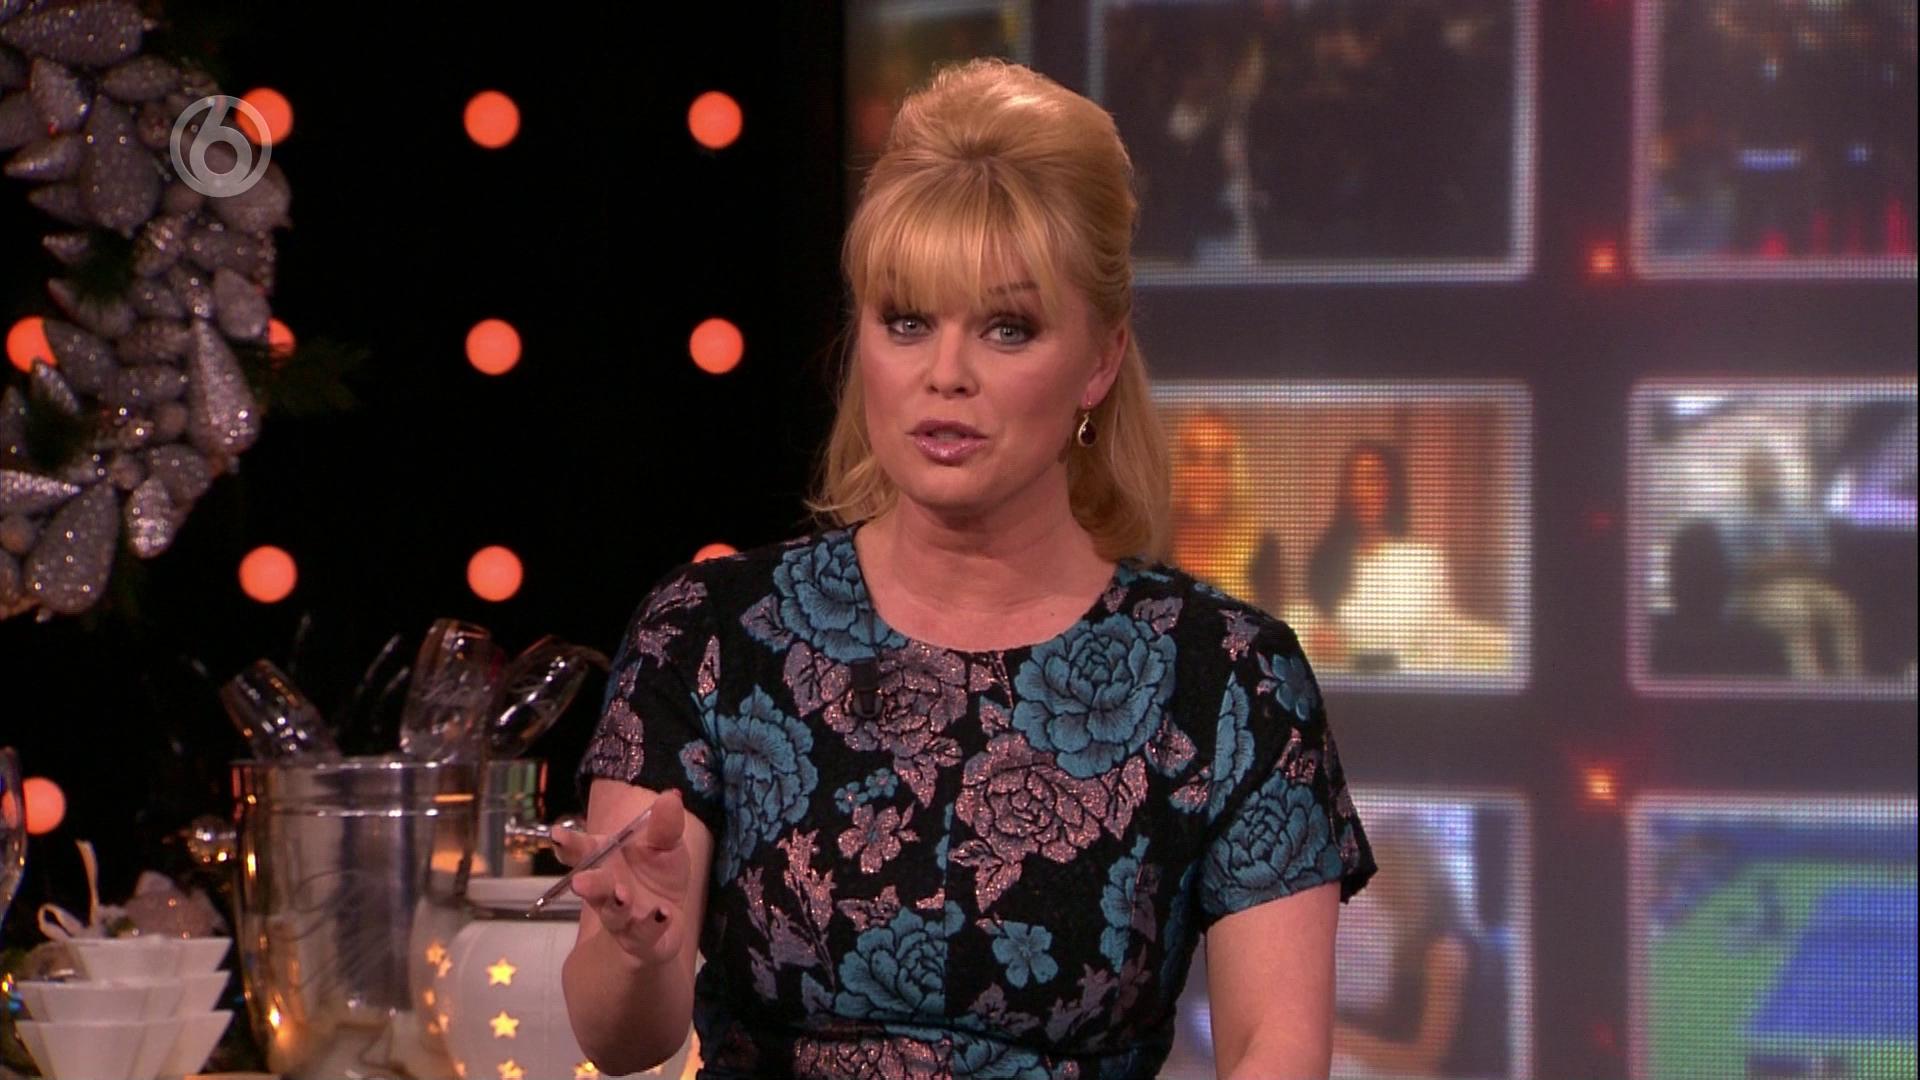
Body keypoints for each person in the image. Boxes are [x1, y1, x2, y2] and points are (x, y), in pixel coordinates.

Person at [557, 58, 1375, 1079]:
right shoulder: (710, 633)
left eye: (1007, 328)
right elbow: (619, 1038)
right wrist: (639, 946)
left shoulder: (1228, 675)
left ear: (1099, 360)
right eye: (907, 322)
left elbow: (1275, 1046)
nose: (946, 374)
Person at [1299, 442, 1504, 674]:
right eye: (1352, 482)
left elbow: (1438, 649)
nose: (1360, 492)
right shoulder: (1328, 562)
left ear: (1392, 490)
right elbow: (1307, 630)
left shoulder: (1423, 563)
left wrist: (1352, 655)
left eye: (1372, 480)